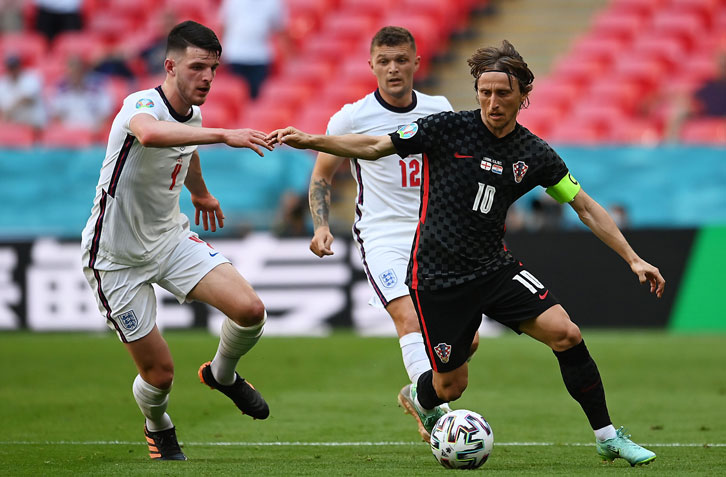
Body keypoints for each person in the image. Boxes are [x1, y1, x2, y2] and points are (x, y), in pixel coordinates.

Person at [268, 40, 666, 467]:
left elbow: (583, 205)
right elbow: (375, 147)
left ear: (523, 96)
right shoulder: (446, 128)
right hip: (439, 278)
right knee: (450, 387)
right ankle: (419, 397)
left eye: (503, 93)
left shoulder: (534, 154)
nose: (493, 102)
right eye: (485, 92)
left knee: (566, 333)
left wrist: (633, 257)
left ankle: (607, 436)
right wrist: (314, 140)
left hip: (495, 268)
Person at [81, 21, 273, 461]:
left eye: (214, 69)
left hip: (169, 240)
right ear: (170, 66)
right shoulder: (141, 104)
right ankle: (158, 425)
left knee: (250, 310)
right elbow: (151, 134)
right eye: (197, 67)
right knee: (160, 375)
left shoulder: (193, 113)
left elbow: (186, 149)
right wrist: (226, 134)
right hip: (115, 257)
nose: (207, 77)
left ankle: (223, 375)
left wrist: (200, 191)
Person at [307, 26, 478, 443]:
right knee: (409, 319)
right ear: (371, 66)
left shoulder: (439, 109)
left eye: (401, 59)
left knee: (466, 340)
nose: (393, 68)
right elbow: (322, 175)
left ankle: (417, 394)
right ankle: (439, 417)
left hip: (435, 236)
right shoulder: (351, 117)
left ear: (417, 62)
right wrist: (322, 226)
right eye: (384, 61)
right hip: (381, 235)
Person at [218, 0, 290, 98]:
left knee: (257, 98)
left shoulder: (273, 2)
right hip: (235, 56)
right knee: (235, 96)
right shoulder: (232, 2)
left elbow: (281, 29)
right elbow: (224, 26)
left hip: (260, 58)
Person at [49, 56, 113, 132]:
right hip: (67, 134)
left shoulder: (98, 88)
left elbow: (106, 113)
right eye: (71, 72)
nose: (75, 75)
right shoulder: (59, 90)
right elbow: (56, 115)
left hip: (93, 132)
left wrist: (97, 130)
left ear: (84, 71)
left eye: (77, 71)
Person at [0, 55, 46, 130]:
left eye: (15, 67)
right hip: (15, 126)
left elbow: (27, 99)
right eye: (10, 68)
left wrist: (9, 110)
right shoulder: (3, 82)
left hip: (34, 125)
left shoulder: (32, 77)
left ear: (20, 66)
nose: (13, 70)